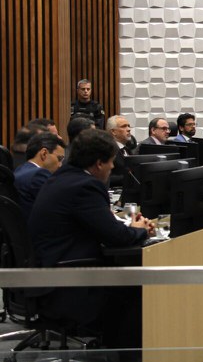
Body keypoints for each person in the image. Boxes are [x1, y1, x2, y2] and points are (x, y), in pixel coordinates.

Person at [28, 129, 154, 349]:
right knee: (142, 290)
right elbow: (118, 238)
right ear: (98, 163)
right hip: (69, 285)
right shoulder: (85, 186)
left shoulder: (62, 178)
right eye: (111, 162)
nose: (113, 167)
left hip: (49, 276)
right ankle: (124, 354)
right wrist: (139, 229)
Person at [13, 132, 66, 221]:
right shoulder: (39, 175)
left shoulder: (20, 169)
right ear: (44, 153)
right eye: (59, 159)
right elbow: (60, 206)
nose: (60, 165)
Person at [106, 115, 134, 186]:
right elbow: (105, 177)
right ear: (113, 132)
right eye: (124, 126)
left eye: (128, 126)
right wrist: (129, 178)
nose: (128, 129)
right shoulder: (108, 150)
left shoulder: (127, 149)